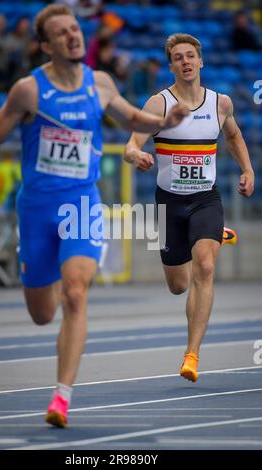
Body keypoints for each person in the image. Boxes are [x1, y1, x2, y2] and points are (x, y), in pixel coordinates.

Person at [0, 5, 188, 428]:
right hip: (36, 211)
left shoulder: (100, 83)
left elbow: (132, 117)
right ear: (46, 46)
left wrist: (166, 119)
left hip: (82, 204)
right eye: (62, 33)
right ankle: (41, 275)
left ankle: (61, 397)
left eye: (75, 29)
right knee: (42, 313)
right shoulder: (28, 91)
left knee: (76, 293)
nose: (73, 36)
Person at [124, 33, 255, 383]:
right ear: (171, 66)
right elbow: (130, 144)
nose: (185, 61)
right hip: (167, 203)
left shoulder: (220, 103)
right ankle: (217, 236)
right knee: (179, 285)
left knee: (205, 267)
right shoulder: (158, 104)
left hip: (205, 199)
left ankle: (191, 355)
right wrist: (136, 154)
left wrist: (247, 168)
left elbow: (233, 136)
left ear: (200, 62)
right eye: (178, 57)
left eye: (190, 56)